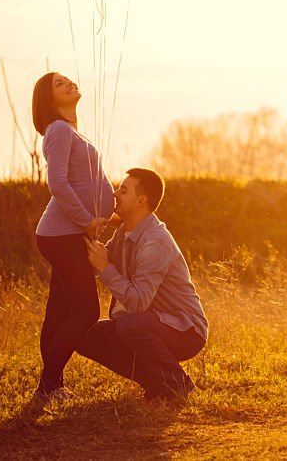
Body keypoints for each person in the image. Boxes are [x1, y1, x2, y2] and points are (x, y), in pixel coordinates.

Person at [79, 167, 208, 403]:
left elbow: (138, 302)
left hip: (186, 329)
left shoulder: (154, 241)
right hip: (149, 322)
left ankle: (179, 383)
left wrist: (105, 269)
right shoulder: (126, 231)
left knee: (129, 325)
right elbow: (100, 258)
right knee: (83, 334)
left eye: (123, 190)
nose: (115, 194)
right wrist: (89, 236)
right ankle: (157, 386)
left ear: (141, 201)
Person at [28, 71, 114, 409]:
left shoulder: (72, 132)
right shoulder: (60, 130)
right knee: (86, 312)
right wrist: (86, 221)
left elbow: (88, 182)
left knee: (58, 312)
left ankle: (52, 388)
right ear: (50, 101)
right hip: (62, 235)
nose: (69, 84)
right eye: (59, 85)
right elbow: (58, 183)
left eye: (67, 80)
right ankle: (46, 388)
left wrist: (111, 213)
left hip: (67, 234)